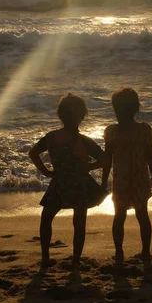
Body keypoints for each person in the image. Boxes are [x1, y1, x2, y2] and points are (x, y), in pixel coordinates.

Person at [29, 93, 108, 270]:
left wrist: (46, 172)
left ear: (60, 115)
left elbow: (33, 154)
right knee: (79, 223)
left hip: (58, 184)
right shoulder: (84, 141)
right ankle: (76, 260)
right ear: (82, 116)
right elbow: (105, 160)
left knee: (46, 218)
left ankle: (45, 257)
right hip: (80, 185)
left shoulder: (51, 137)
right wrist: (88, 167)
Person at [102, 87, 152, 264]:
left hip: (121, 180)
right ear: (136, 108)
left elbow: (107, 160)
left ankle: (119, 254)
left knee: (119, 217)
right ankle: (146, 252)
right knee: (143, 215)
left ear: (116, 109)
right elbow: (150, 155)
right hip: (141, 178)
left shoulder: (111, 132)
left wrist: (104, 182)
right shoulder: (143, 130)